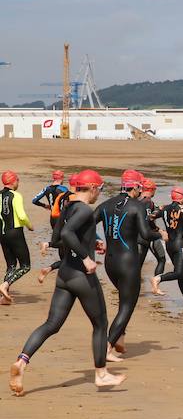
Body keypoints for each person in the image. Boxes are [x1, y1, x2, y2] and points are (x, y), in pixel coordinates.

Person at [9, 170, 126, 396]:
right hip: (81, 276)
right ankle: (101, 374)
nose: (98, 195)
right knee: (100, 323)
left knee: (51, 324)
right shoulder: (83, 209)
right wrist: (86, 257)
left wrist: (93, 244)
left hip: (65, 274)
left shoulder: (67, 205)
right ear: (92, 188)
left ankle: (22, 362)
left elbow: (58, 238)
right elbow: (70, 234)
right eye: (99, 190)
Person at [95, 170, 164, 357]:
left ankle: (120, 338)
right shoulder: (136, 206)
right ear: (135, 187)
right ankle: (107, 348)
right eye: (139, 187)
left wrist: (95, 239)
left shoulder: (105, 205)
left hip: (110, 263)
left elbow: (86, 224)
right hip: (128, 263)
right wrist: (162, 234)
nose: (140, 191)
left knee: (124, 300)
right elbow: (146, 234)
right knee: (127, 305)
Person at [150, 187, 183, 307]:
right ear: (181, 198)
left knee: (180, 272)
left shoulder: (164, 209)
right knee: (179, 272)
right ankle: (158, 279)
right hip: (180, 245)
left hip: (169, 244)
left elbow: (150, 217)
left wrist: (159, 230)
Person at [0, 171, 33, 304]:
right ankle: (5, 285)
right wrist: (30, 226)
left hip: (2, 233)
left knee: (11, 265)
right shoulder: (16, 195)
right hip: (15, 233)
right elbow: (22, 215)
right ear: (13, 181)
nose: (18, 182)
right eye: (17, 180)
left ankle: (4, 297)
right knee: (25, 266)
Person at [136, 178, 167, 278]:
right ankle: (156, 284)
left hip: (135, 236)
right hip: (148, 235)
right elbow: (149, 219)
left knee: (136, 265)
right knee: (162, 259)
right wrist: (158, 230)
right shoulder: (148, 201)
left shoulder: (136, 200)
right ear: (152, 189)